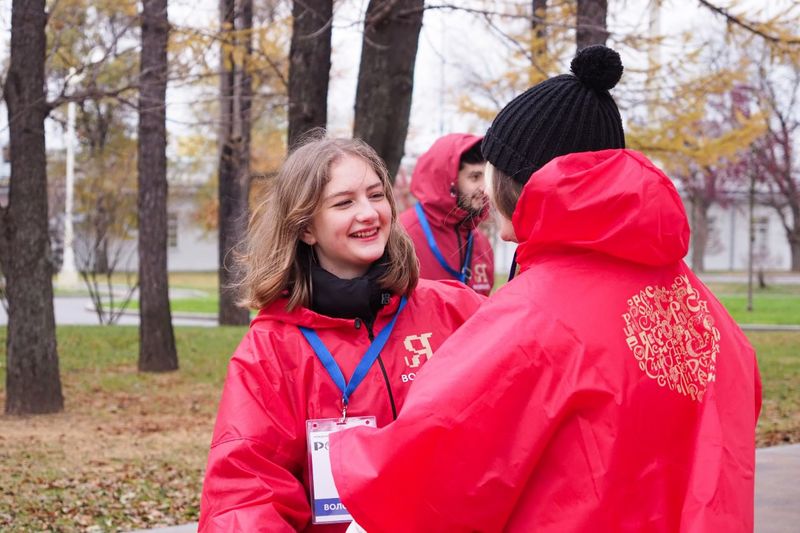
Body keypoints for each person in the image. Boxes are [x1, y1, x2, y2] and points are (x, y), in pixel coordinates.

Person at [330, 46, 761, 532]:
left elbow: (428, 471)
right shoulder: (708, 315)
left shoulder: (533, 319)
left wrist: (341, 456)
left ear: (514, 183)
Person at [198, 136, 485, 532]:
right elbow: (246, 494)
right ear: (306, 229)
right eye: (344, 202)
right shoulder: (272, 350)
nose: (368, 213)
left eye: (376, 195)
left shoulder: (453, 311)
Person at [399, 134, 494, 295]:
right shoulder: (400, 237)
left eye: (487, 177)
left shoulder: (482, 244)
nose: (485, 188)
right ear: (449, 180)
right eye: (475, 177)